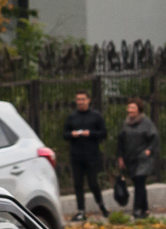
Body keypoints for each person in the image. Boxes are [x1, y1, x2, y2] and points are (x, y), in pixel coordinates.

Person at [63, 90, 107, 221]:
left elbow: (103, 133)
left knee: (93, 183)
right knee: (78, 184)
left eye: (83, 99)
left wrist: (91, 133)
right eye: (78, 99)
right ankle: (81, 211)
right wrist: (72, 134)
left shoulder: (95, 116)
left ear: (88, 100)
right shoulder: (72, 117)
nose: (80, 102)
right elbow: (65, 134)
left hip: (91, 155)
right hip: (76, 155)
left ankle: (102, 207)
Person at [116, 98, 159, 219]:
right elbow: (120, 141)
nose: (130, 110)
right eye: (129, 108)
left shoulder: (146, 123)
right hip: (130, 158)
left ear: (139, 110)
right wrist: (120, 157)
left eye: (133, 108)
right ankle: (145, 209)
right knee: (138, 183)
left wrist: (149, 150)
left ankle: (137, 209)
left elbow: (154, 137)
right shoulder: (126, 124)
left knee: (140, 181)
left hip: (143, 158)